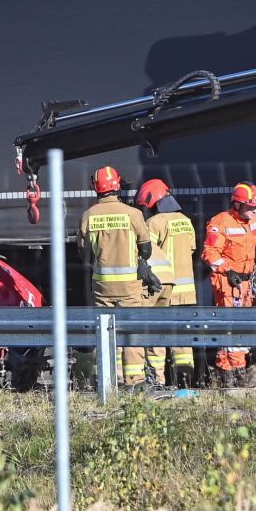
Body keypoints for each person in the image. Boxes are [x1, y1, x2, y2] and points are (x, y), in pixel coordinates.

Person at [78, 164, 161, 388]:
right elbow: (146, 249)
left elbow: (83, 253)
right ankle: (133, 380)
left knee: (104, 331)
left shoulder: (88, 216)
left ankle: (106, 379)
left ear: (95, 187)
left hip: (102, 288)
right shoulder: (133, 214)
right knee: (131, 332)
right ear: (117, 186)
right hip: (130, 287)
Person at [201, 182, 256, 387]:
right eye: (251, 206)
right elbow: (210, 252)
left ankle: (227, 371)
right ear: (238, 205)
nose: (255, 210)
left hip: (247, 281)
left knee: (241, 325)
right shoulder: (221, 222)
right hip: (228, 282)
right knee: (232, 326)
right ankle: (235, 371)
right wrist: (228, 270)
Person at [135, 178, 198, 388]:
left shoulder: (155, 222)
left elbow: (147, 252)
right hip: (187, 292)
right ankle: (185, 380)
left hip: (165, 289)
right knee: (183, 339)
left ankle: (158, 382)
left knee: (157, 337)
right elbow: (191, 249)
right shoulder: (186, 220)